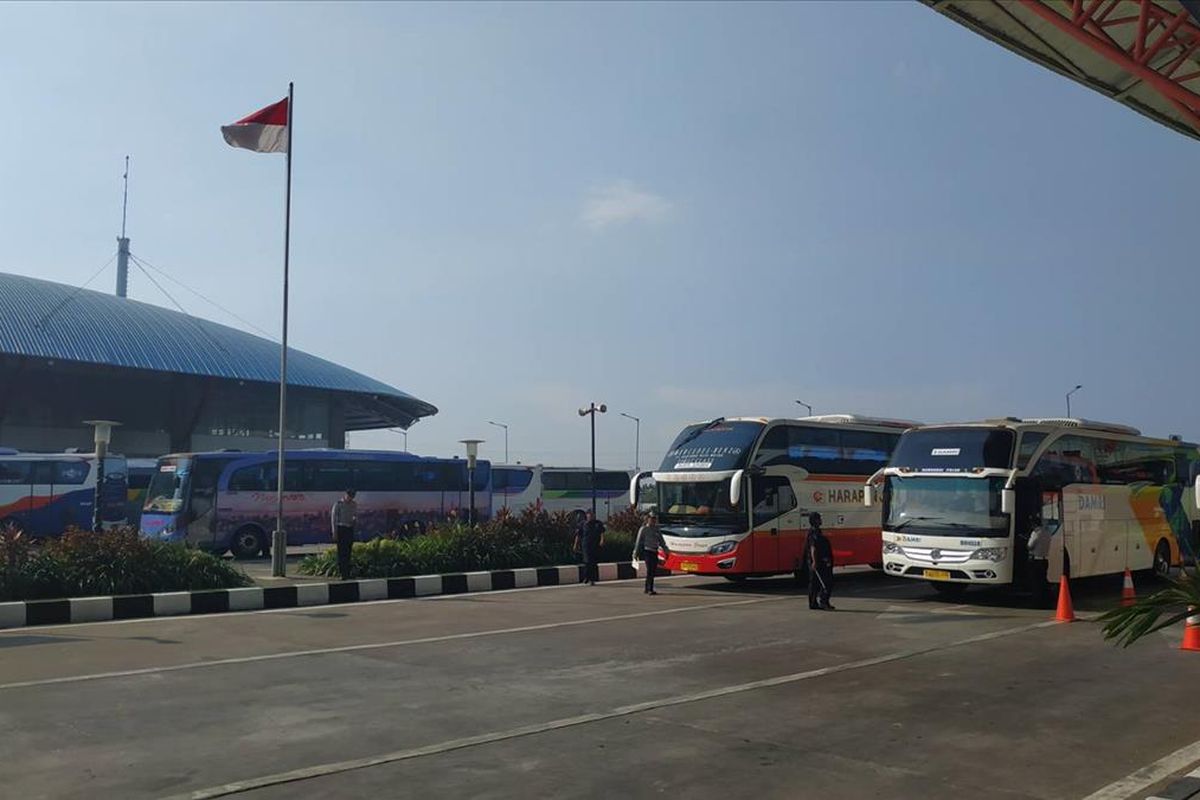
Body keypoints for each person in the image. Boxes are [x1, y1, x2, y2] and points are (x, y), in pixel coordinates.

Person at [633, 510, 670, 595]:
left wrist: (666, 551)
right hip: (647, 551)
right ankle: (650, 589)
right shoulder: (644, 529)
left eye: (654, 519)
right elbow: (638, 542)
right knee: (650, 570)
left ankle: (647, 588)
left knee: (653, 571)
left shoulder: (657, 529)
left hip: (654, 551)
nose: (653, 520)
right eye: (651, 518)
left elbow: (662, 542)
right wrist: (635, 553)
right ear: (648, 519)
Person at [807, 511, 834, 610]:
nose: (821, 520)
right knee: (825, 582)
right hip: (819, 562)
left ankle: (814, 603)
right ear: (815, 521)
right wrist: (814, 561)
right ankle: (823, 601)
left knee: (816, 584)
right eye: (819, 519)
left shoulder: (816, 531)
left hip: (820, 561)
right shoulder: (814, 532)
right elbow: (813, 548)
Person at [1026, 513, 1053, 607]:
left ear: (1033, 524)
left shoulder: (1035, 533)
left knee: (1035, 582)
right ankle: (1046, 599)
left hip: (1036, 561)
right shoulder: (1047, 533)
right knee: (1043, 580)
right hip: (1045, 560)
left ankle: (1037, 602)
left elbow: (1030, 546)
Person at [330, 489, 358, 580]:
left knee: (348, 551)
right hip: (341, 529)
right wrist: (334, 532)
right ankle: (342, 573)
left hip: (350, 529)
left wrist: (355, 520)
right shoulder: (338, 504)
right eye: (350, 496)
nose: (351, 498)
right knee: (341, 552)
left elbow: (355, 515)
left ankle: (347, 572)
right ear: (346, 495)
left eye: (352, 496)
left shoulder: (354, 504)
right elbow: (333, 519)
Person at [573, 510, 606, 585]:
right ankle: (587, 577)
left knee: (593, 563)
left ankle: (592, 579)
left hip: (595, 546)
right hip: (586, 546)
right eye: (589, 515)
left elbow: (602, 533)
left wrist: (602, 540)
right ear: (587, 516)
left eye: (592, 515)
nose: (591, 516)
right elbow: (578, 535)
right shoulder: (583, 524)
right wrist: (575, 544)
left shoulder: (598, 523)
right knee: (587, 562)